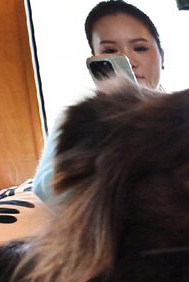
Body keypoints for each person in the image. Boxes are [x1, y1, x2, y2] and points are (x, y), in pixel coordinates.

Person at [33, 0, 164, 204]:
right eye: (110, 51)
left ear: (162, 56)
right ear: (95, 59)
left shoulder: (186, 114)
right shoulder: (78, 119)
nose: (129, 60)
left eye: (140, 48)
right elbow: (47, 189)